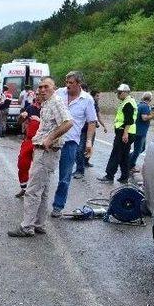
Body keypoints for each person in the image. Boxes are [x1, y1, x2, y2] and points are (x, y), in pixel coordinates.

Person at [8, 77, 73, 237]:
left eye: (46, 87)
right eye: (41, 87)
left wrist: (50, 138)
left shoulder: (55, 102)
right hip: (46, 150)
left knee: (32, 190)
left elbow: (68, 123)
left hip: (46, 151)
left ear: (54, 88)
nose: (42, 89)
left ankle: (27, 227)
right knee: (42, 190)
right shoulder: (47, 104)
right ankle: (38, 224)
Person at [50, 71, 97, 218]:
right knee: (43, 171)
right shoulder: (59, 93)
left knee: (64, 177)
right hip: (52, 139)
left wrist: (89, 142)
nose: (68, 85)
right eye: (67, 82)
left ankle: (58, 206)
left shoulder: (87, 100)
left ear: (79, 84)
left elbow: (91, 122)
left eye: (71, 83)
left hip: (70, 142)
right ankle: (37, 200)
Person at [98, 84, 137, 184]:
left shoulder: (128, 103)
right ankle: (124, 177)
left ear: (125, 92)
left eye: (119, 93)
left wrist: (125, 134)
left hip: (124, 132)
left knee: (116, 154)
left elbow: (129, 120)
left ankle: (109, 175)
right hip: (128, 132)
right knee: (124, 155)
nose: (118, 95)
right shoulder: (127, 101)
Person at [15, 91, 42, 198]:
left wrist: (39, 121)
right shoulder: (31, 108)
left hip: (42, 141)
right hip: (29, 140)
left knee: (38, 168)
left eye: (41, 95)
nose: (39, 97)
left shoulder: (49, 108)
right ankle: (24, 187)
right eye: (38, 95)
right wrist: (22, 116)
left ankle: (35, 191)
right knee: (22, 163)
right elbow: (19, 122)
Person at [129, 91, 154, 172]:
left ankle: (127, 160)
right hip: (140, 132)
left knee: (141, 149)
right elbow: (144, 118)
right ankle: (131, 165)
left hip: (137, 130)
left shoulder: (139, 105)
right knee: (138, 150)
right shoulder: (145, 106)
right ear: (150, 98)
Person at [83, 90, 107, 168]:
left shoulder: (96, 105)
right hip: (85, 128)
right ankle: (81, 163)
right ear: (93, 96)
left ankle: (86, 161)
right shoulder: (88, 103)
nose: (98, 97)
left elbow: (98, 116)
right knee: (82, 146)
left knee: (90, 145)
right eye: (97, 96)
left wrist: (104, 125)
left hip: (92, 128)